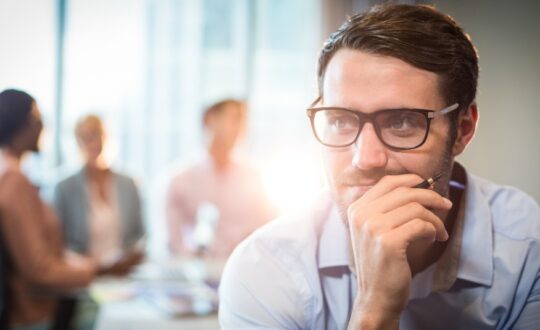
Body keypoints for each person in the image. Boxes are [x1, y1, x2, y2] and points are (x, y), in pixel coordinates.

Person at [219, 4, 540, 330]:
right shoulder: (264, 271)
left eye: (401, 122)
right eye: (341, 120)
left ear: (463, 130)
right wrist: (375, 310)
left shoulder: (529, 249)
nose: (365, 159)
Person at [0, 89, 96, 330]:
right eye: (37, 118)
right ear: (20, 123)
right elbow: (38, 268)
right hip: (31, 315)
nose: (42, 125)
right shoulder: (13, 180)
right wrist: (97, 270)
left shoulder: (12, 174)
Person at [167, 99, 276, 259]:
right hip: (198, 271)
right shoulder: (180, 181)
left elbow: (268, 229)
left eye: (243, 121)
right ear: (211, 119)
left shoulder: (255, 178)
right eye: (234, 119)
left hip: (245, 268)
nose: (240, 129)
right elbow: (174, 242)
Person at [53, 114, 145, 275]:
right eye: (85, 137)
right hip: (83, 275)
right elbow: (59, 242)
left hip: (123, 275)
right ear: (77, 142)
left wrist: (126, 259)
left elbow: (140, 235)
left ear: (106, 137)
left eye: (97, 135)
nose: (93, 142)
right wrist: (94, 266)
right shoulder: (65, 188)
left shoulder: (129, 184)